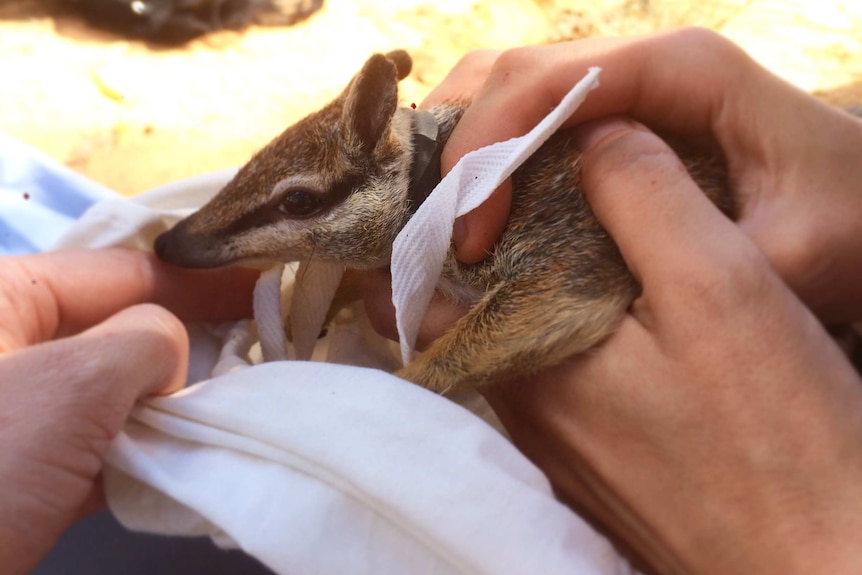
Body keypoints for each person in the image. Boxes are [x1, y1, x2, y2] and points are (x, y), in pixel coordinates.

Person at [1, 26, 861, 574]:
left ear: (381, 171)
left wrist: (413, 389)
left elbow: (566, 294)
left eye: (300, 207)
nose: (208, 246)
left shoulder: (529, 209)